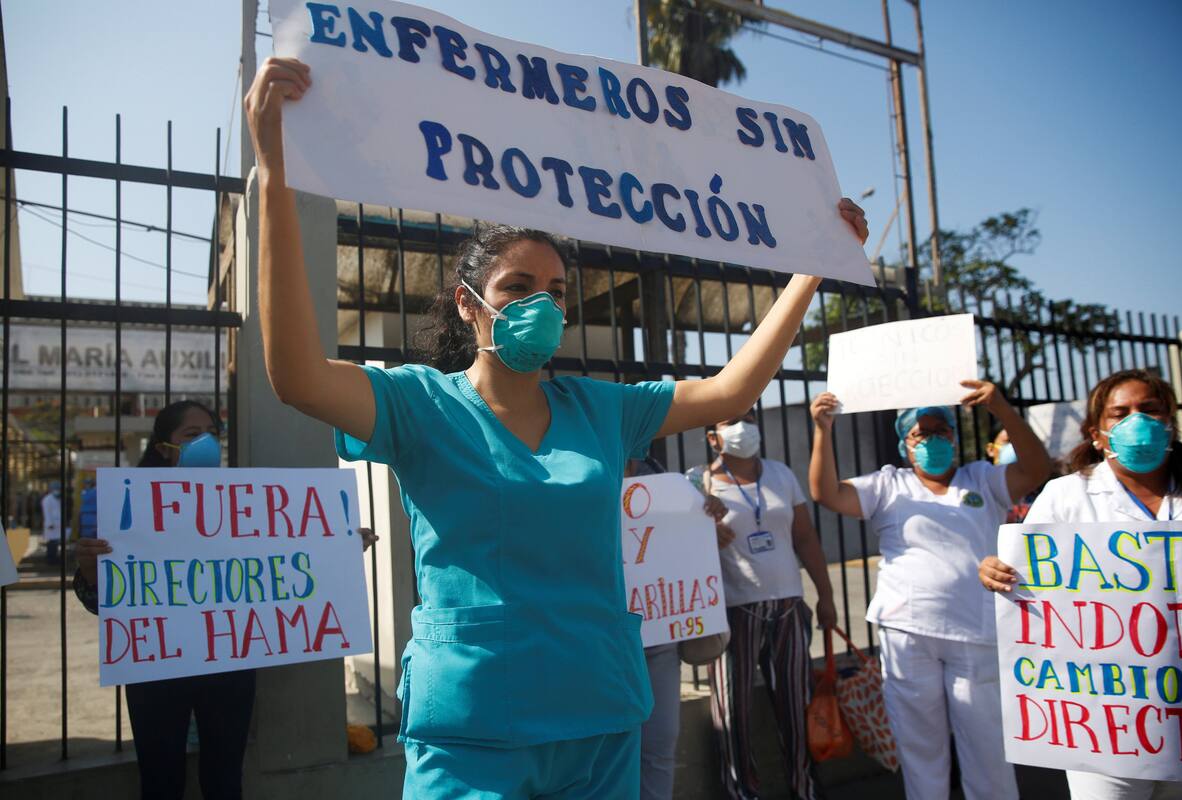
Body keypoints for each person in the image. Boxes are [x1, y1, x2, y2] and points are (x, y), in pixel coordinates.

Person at [244, 55, 868, 798]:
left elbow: (732, 390)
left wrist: (810, 271)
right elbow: (294, 373)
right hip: (473, 733)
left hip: (599, 721)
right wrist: (275, 172)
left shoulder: (600, 407)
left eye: (556, 291)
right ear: (470, 303)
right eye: (518, 288)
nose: (542, 304)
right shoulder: (418, 404)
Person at [808, 381, 1051, 800]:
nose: (932, 439)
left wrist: (1002, 408)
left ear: (954, 438)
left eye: (941, 430)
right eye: (921, 433)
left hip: (975, 634)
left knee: (987, 746)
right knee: (921, 748)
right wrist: (822, 430)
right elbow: (825, 493)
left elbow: (1036, 470)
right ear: (906, 443)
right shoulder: (888, 485)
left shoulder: (982, 479)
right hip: (907, 633)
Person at [979, 368, 1182, 800]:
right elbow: (1026, 576)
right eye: (1121, 413)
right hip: (1103, 724)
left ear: (1170, 421)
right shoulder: (1066, 496)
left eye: (1149, 409)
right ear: (1098, 434)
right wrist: (996, 572)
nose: (1137, 421)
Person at [74, 400, 256, 800]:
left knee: (226, 777)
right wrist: (91, 572)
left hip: (227, 663)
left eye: (213, 433)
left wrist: (335, 547)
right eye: (192, 435)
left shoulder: (244, 505)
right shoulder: (128, 509)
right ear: (163, 447)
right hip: (156, 667)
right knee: (160, 777)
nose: (207, 443)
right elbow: (104, 600)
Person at [688, 407, 837, 800]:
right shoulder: (699, 484)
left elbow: (805, 537)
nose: (744, 427)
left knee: (796, 708)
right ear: (712, 438)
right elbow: (682, 547)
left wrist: (826, 594)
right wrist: (703, 530)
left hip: (788, 607)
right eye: (730, 421)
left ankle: (805, 789)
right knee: (732, 714)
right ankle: (741, 792)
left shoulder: (781, 474)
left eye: (749, 419)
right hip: (733, 611)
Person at [627, 456, 730, 800]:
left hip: (658, 639)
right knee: (609, 752)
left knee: (660, 744)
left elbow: (679, 544)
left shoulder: (657, 476)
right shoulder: (582, 468)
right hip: (606, 642)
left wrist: (704, 518)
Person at [41, 481, 62, 563]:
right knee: (51, 543)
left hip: (57, 525)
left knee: (55, 543)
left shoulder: (58, 499)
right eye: (56, 489)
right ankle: (50, 558)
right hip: (51, 525)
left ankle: (53, 558)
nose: (57, 491)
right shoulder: (47, 499)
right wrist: (49, 523)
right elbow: (47, 512)